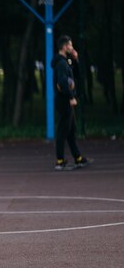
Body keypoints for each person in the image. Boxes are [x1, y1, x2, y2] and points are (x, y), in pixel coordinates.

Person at [51, 35, 91, 171]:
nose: (71, 48)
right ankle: (60, 161)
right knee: (63, 131)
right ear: (64, 47)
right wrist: (71, 96)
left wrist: (76, 59)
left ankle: (78, 158)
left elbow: (77, 75)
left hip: (66, 100)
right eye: (70, 45)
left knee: (71, 130)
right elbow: (62, 82)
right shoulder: (61, 63)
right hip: (63, 101)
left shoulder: (65, 61)